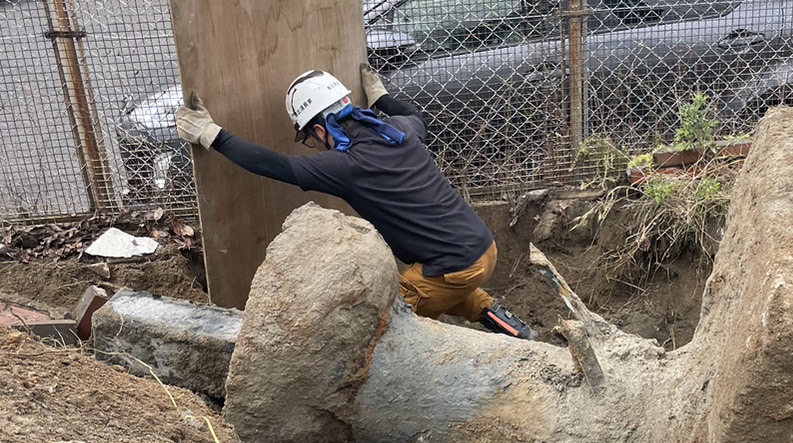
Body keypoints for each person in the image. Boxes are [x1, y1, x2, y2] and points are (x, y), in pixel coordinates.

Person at [174, 66, 533, 338]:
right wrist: (379, 96)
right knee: (437, 288)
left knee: (380, 328)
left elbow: (275, 166)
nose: (312, 147)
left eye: (307, 138)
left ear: (320, 128)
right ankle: (514, 331)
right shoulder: (399, 132)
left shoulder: (348, 164)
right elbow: (416, 116)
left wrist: (211, 135)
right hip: (482, 249)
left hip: (454, 266)